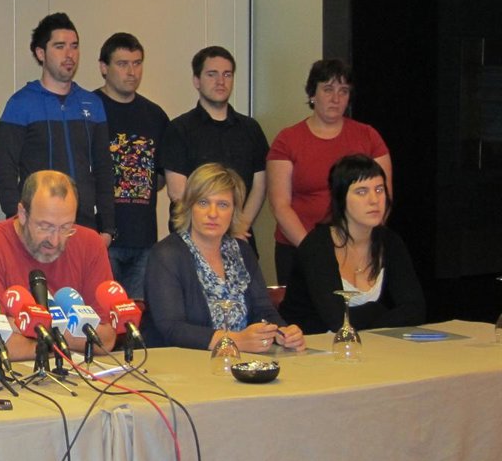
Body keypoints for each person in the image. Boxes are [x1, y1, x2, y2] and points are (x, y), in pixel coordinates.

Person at [0, 170, 117, 363]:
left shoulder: (90, 244)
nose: (55, 240)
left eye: (66, 227)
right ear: (22, 214)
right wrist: (68, 333)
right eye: (45, 226)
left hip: (72, 373)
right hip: (2, 374)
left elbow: (105, 339)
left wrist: (27, 326)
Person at [143, 163, 305, 352]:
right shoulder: (166, 254)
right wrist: (233, 340)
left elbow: (264, 311)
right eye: (203, 203)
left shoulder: (242, 251)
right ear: (189, 206)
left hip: (242, 359)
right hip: (183, 362)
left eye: (222, 205)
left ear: (234, 211)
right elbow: (172, 328)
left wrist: (282, 332)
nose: (213, 214)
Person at [266, 59, 392, 282]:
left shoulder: (369, 137)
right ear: (312, 94)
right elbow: (280, 205)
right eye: (328, 89)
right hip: (299, 247)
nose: (336, 98)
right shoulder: (287, 140)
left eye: (343, 91)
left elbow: (383, 196)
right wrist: (314, 251)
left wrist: (357, 246)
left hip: (357, 250)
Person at [0, 13, 115, 239]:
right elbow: (5, 170)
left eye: (74, 46)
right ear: (41, 53)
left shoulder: (92, 104)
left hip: (84, 227)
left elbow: (103, 169)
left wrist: (108, 228)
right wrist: (16, 220)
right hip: (38, 228)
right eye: (59, 46)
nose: (69, 54)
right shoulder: (20, 103)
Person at [280, 155, 424, 334]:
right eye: (361, 192)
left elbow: (415, 310)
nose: (374, 200)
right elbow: (337, 320)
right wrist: (377, 310)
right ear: (340, 198)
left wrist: (373, 319)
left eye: (379, 189)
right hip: (309, 343)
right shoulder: (317, 246)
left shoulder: (390, 241)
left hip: (367, 342)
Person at [161, 46, 269, 252]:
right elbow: (177, 192)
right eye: (212, 74)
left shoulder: (250, 129)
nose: (221, 81)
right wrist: (209, 230)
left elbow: (260, 185)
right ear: (196, 81)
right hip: (191, 240)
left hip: (239, 237)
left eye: (227, 74)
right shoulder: (179, 129)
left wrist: (239, 226)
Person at [94, 32, 169, 299]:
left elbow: (161, 177)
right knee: (104, 310)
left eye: (137, 63)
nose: (132, 72)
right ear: (104, 67)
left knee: (137, 313)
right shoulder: (88, 110)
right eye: (122, 64)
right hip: (101, 238)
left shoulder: (155, 115)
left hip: (144, 239)